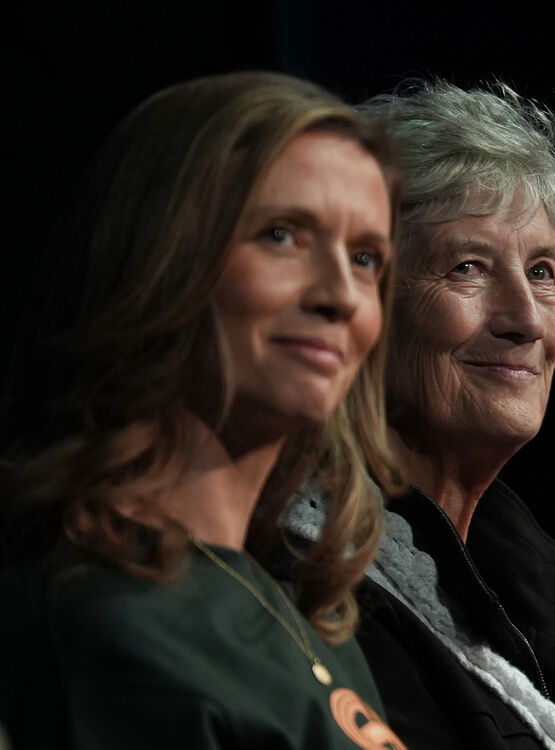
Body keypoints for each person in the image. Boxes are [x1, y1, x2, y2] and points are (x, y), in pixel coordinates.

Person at [0, 71, 405, 749]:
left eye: (366, 258)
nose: (342, 295)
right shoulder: (112, 626)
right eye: (282, 235)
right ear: (159, 258)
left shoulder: (303, 611)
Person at [285, 81, 555, 750]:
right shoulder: (313, 585)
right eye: (467, 267)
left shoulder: (536, 584)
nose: (525, 319)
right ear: (356, 305)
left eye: (543, 271)